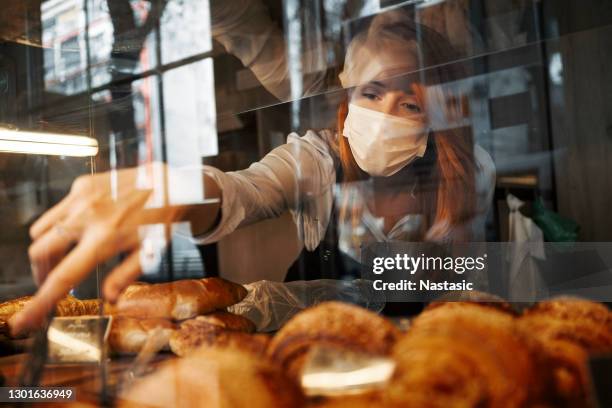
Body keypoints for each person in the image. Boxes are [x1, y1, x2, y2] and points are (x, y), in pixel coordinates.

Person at [10, 5, 494, 335]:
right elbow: (244, 191)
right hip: (315, 361)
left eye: (408, 101)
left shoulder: (471, 176)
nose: (385, 113)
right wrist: (176, 191)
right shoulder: (319, 160)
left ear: (437, 115)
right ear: (349, 98)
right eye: (371, 92)